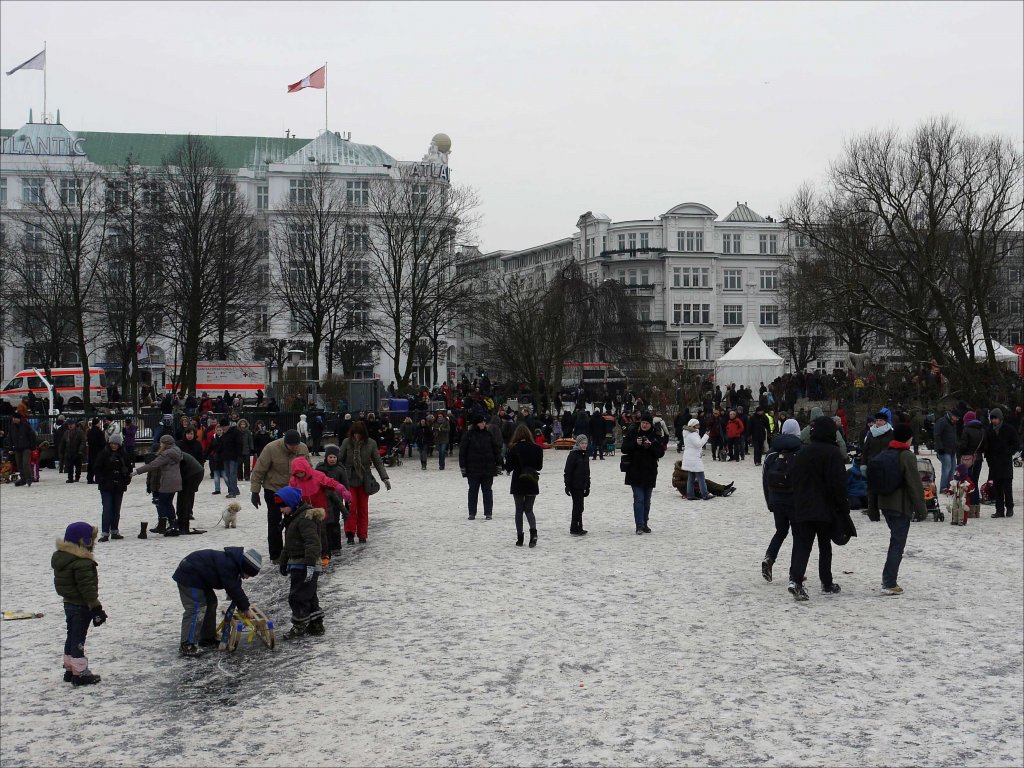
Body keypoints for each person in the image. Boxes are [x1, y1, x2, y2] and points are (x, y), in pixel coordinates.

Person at [787, 416, 849, 601]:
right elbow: (839, 484)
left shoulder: (803, 452)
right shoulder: (833, 453)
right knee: (825, 545)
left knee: (803, 545)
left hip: (804, 505)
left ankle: (796, 580)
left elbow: (794, 479)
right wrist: (843, 508)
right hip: (825, 507)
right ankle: (826, 582)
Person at [172, 547, 263, 656]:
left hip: (200, 578)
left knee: (211, 602)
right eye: (248, 574)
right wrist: (245, 608)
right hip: (189, 576)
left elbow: (234, 586)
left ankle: (207, 638)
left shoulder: (234, 563)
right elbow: (233, 587)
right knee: (197, 608)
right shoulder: (229, 566)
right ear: (245, 567)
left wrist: (240, 602)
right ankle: (187, 644)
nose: (247, 578)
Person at [869, 423, 926, 595]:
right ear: (908, 438)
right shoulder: (907, 456)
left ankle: (888, 579)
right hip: (900, 506)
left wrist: (873, 507)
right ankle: (889, 582)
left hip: (885, 504)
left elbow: (872, 483)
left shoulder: (885, 453)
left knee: (895, 540)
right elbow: (914, 485)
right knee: (897, 543)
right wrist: (922, 510)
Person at [52, 522, 107, 685]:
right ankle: (80, 672)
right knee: (78, 637)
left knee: (71, 635)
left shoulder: (63, 557)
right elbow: (87, 589)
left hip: (68, 603)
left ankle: (70, 668)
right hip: (81, 605)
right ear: (84, 541)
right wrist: (96, 607)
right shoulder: (82, 563)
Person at [250, 429, 310, 563]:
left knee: (294, 523)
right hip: (274, 489)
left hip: (294, 491)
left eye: (296, 445)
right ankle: (276, 555)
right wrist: (255, 492)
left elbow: (308, 468)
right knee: (275, 523)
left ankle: (293, 552)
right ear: (285, 442)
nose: (294, 448)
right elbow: (258, 471)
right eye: (291, 445)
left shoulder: (303, 448)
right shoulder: (271, 448)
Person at [275, 486, 327, 638]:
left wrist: (310, 564)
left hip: (305, 565)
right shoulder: (293, 519)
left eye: (283, 506)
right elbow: (289, 545)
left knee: (297, 596)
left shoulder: (305, 519)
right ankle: (316, 624)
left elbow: (313, 542)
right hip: (298, 564)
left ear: (292, 503)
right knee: (308, 595)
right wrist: (283, 562)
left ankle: (300, 624)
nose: (281, 510)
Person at [288, 455, 351, 565]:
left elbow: (330, 482)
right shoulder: (294, 481)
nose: (300, 475)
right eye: (297, 473)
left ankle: (325, 554)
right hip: (304, 511)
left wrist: (342, 489)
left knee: (322, 532)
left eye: (301, 472)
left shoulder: (317, 476)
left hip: (319, 510)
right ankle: (310, 555)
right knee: (308, 534)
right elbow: (291, 495)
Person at [760, 418, 802, 582]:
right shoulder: (801, 450)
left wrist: (769, 501)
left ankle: (769, 557)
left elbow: (764, 479)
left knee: (781, 531)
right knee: (798, 536)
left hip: (776, 499)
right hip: (795, 500)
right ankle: (795, 572)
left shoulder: (772, 452)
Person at [337, 421, 391, 544]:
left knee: (363, 508)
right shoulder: (346, 442)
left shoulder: (371, 443)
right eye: (355, 433)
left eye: (359, 434)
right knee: (351, 507)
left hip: (364, 479)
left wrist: (384, 478)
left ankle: (362, 534)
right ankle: (350, 533)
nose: (356, 436)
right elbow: (339, 460)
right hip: (349, 479)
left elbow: (378, 462)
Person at [621, 413, 666, 534]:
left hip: (650, 472)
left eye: (647, 423)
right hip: (635, 471)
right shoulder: (633, 433)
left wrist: (651, 446)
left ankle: (645, 523)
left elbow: (661, 453)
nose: (644, 425)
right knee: (639, 499)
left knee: (647, 501)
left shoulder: (655, 435)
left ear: (650, 424)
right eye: (643, 423)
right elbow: (624, 448)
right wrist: (636, 443)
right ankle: (639, 525)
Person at [133, 434, 183, 536]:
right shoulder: (177, 450)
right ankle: (173, 524)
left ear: (165, 443)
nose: (160, 444)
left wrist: (136, 471)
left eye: (161, 442)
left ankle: (162, 525)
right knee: (168, 502)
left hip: (167, 482)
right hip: (176, 481)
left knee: (162, 503)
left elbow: (152, 465)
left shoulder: (166, 454)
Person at [504, 423, 544, 547]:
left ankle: (520, 537)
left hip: (518, 481)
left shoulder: (513, 448)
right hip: (531, 480)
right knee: (529, 510)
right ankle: (533, 534)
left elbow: (508, 467)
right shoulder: (537, 448)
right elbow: (539, 467)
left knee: (519, 510)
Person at [460, 412, 501, 521]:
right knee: (473, 491)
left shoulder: (488, 434)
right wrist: (463, 466)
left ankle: (488, 512)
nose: (484, 424)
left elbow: (496, 449)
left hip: (488, 468)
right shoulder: (469, 435)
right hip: (473, 469)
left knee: (487, 491)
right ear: (477, 423)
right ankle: (472, 513)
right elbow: (463, 451)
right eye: (482, 422)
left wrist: (499, 463)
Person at [92, 433, 133, 542]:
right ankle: (105, 533)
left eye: (116, 444)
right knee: (107, 509)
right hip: (106, 486)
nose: (113, 445)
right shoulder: (103, 454)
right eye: (112, 443)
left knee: (116, 509)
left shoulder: (124, 455)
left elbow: (129, 469)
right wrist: (101, 480)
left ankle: (114, 531)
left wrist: (126, 480)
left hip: (119, 486)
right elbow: (96, 468)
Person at [984, 408, 1018, 519]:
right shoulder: (989, 430)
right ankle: (999, 510)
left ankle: (1009, 508)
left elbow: (1016, 444)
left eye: (995, 418)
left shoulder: (1009, 429)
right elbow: (986, 446)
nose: (993, 421)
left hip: (1005, 462)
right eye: (992, 419)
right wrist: (989, 459)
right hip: (994, 463)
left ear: (1000, 418)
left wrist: (1008, 451)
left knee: (1007, 488)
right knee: (997, 488)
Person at [316, 445, 350, 554]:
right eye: (330, 457)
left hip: (336, 501)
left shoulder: (340, 469)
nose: (332, 459)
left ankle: (336, 546)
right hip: (322, 501)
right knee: (323, 524)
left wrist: (347, 498)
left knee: (334, 523)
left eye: (334, 457)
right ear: (326, 457)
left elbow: (345, 485)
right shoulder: (320, 468)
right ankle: (326, 546)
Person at [957, 410, 986, 518]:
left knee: (968, 483)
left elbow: (962, 446)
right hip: (978, 458)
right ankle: (976, 509)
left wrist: (960, 453)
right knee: (975, 482)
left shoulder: (966, 430)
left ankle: (969, 509)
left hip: (967, 459)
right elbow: (985, 446)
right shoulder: (982, 430)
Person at [563, 434, 590, 536]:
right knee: (577, 507)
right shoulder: (573, 455)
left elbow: (587, 471)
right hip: (575, 485)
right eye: (582, 443)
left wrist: (588, 485)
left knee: (580, 507)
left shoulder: (585, 454)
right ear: (578, 444)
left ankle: (579, 526)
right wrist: (567, 485)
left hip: (582, 484)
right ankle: (575, 528)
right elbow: (568, 471)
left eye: (585, 443)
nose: (584, 445)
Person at [681, 418, 713, 501]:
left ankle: (690, 494)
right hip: (694, 458)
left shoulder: (688, 433)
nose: (699, 426)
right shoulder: (692, 434)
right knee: (701, 477)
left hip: (689, 457)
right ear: (693, 425)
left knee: (691, 477)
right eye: (697, 425)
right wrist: (706, 436)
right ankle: (705, 494)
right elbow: (699, 444)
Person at [932, 409, 959, 496]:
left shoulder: (953, 423)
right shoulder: (942, 421)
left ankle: (949, 486)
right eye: (956, 417)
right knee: (947, 468)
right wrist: (940, 447)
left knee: (953, 468)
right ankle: (943, 487)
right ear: (952, 415)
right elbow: (936, 434)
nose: (957, 419)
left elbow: (953, 436)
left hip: (952, 450)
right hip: (944, 450)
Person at [6, 413, 36, 487]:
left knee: (25, 463)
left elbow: (32, 436)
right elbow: (9, 438)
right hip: (17, 448)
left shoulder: (26, 425)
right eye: (13, 418)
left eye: (15, 418)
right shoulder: (11, 427)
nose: (13, 419)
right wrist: (10, 448)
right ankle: (23, 479)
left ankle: (29, 479)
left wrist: (32, 446)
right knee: (19, 465)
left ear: (19, 419)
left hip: (26, 448)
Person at [217, 417, 243, 499]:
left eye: (224, 426)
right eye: (221, 427)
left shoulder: (235, 432)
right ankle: (235, 489)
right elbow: (221, 446)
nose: (223, 428)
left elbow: (239, 444)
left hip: (233, 457)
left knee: (232, 475)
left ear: (227, 426)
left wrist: (239, 456)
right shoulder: (224, 435)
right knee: (227, 475)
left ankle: (232, 492)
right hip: (225, 458)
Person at [85, 418, 106, 484]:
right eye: (99, 423)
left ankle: (89, 478)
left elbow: (88, 440)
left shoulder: (90, 431)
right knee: (98, 465)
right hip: (98, 451)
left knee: (90, 465)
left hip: (91, 450)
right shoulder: (99, 432)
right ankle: (98, 479)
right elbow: (103, 442)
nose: (100, 424)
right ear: (97, 423)